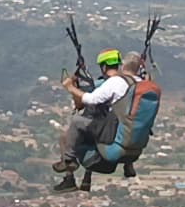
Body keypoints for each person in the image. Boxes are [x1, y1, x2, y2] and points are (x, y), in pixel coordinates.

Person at [51, 50, 130, 192]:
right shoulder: (127, 82)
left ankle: (69, 164)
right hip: (118, 128)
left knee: (73, 127)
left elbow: (89, 100)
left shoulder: (110, 83)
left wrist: (71, 88)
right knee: (87, 125)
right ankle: (85, 178)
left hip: (108, 129)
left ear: (104, 67)